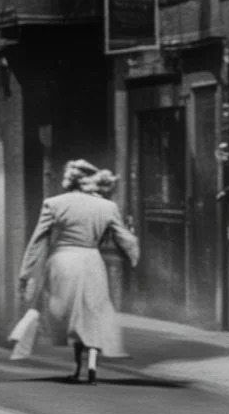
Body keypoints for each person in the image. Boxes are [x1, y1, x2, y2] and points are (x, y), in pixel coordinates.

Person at [17, 159, 140, 384]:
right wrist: (134, 256)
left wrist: (25, 272)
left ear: (69, 180)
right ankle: (92, 364)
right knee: (92, 311)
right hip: (91, 261)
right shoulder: (107, 207)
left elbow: (38, 240)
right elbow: (124, 238)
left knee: (70, 315)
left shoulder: (53, 204)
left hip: (62, 261)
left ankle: (77, 367)